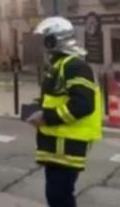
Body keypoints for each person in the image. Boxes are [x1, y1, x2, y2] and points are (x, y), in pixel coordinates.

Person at [26, 16, 103, 207]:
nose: (43, 45)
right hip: (58, 144)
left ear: (54, 40)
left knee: (59, 196)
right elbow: (60, 97)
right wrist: (39, 107)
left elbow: (84, 104)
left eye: (46, 39)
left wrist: (46, 117)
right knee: (56, 196)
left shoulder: (75, 66)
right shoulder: (61, 65)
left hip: (66, 145)